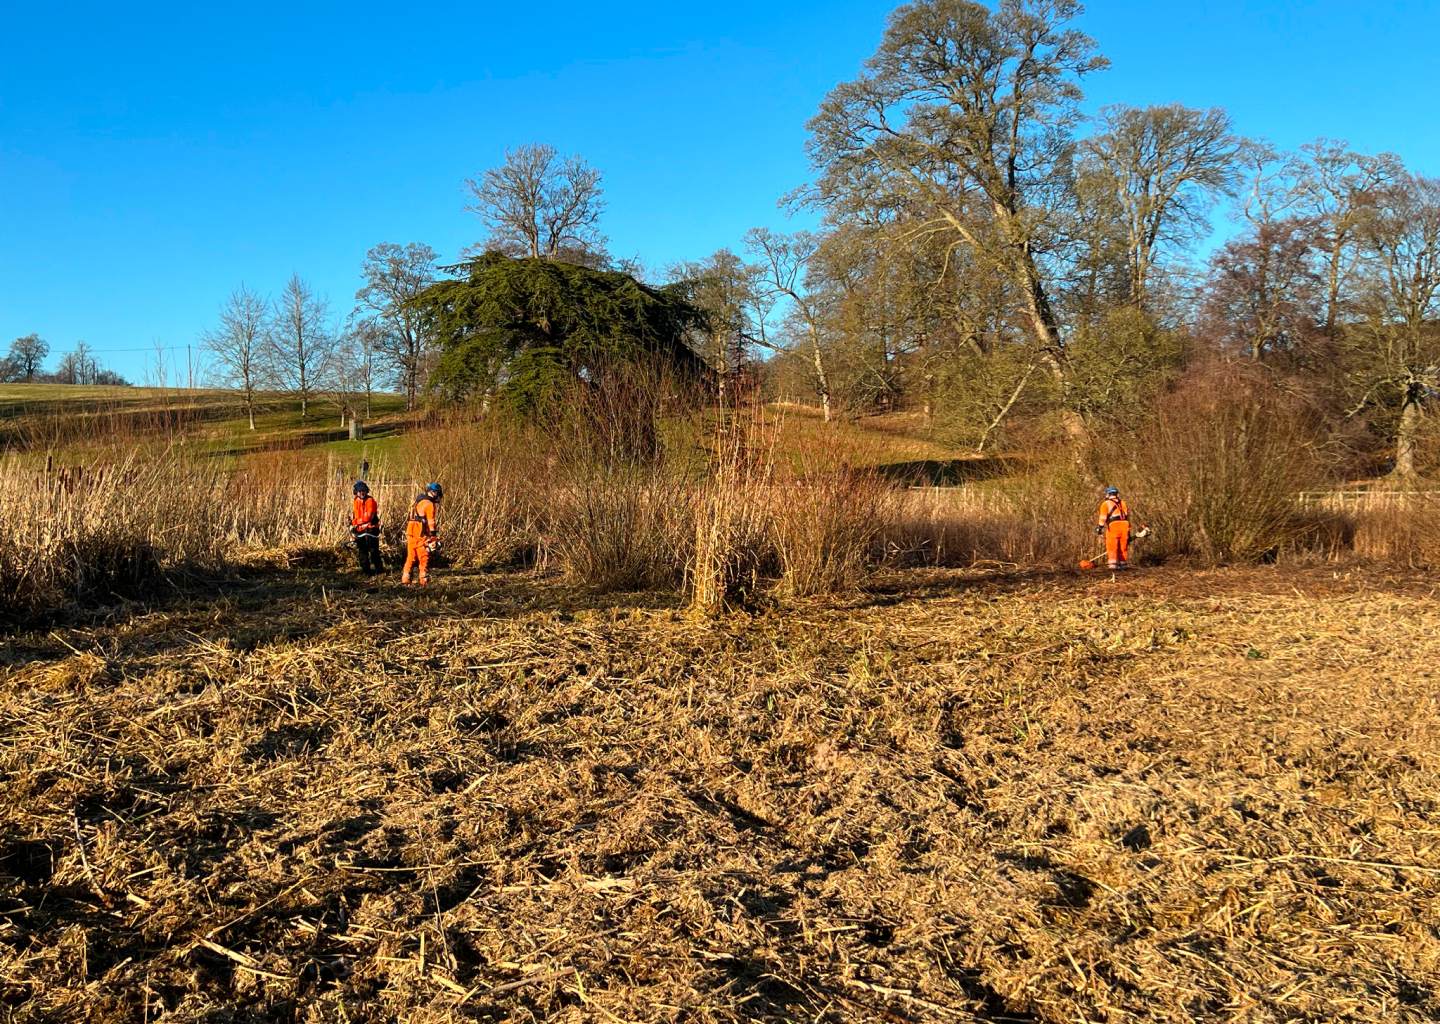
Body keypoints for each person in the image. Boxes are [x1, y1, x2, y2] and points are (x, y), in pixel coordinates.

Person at [401, 482, 443, 586]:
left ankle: (406, 577)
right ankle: (424, 579)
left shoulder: (418, 501)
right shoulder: (429, 504)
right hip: (420, 532)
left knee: (411, 555)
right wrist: (433, 536)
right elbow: (431, 522)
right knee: (424, 555)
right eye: (437, 493)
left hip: (410, 530)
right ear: (433, 492)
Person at [1096, 486, 1132, 570]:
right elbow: (1127, 516)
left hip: (1114, 526)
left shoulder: (1106, 503)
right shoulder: (1123, 503)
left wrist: (1099, 528)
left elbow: (1103, 518)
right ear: (1116, 494)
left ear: (1108, 494)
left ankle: (1113, 566)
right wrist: (1129, 530)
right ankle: (1123, 565)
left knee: (1112, 545)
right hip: (1125, 525)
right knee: (1123, 546)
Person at [350, 481, 383, 575]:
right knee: (362, 551)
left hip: (371, 529)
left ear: (366, 491)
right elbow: (355, 515)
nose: (362, 493)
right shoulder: (356, 501)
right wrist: (354, 524)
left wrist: (355, 522)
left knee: (373, 551)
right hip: (360, 530)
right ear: (356, 492)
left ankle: (379, 570)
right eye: (359, 491)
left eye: (363, 490)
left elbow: (368, 517)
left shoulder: (370, 501)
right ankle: (366, 571)